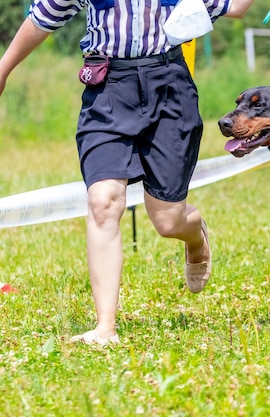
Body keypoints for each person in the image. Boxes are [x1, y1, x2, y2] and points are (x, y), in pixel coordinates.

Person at [0, 0, 256, 345]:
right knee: (104, 200)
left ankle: (194, 234)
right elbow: (43, 18)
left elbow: (236, 7)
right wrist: (3, 69)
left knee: (167, 221)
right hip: (108, 89)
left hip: (170, 89)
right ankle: (105, 328)